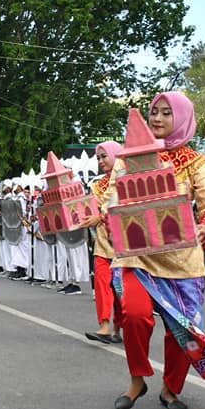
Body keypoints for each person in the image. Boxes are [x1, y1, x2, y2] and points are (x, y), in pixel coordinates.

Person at [109, 93, 205, 409]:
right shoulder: (129, 158)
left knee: (183, 329)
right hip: (138, 255)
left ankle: (171, 389)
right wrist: (107, 215)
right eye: (154, 112)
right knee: (134, 315)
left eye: (166, 113)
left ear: (182, 118)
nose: (158, 118)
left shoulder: (194, 161)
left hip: (182, 259)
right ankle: (137, 379)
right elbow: (111, 196)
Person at [83, 140, 123, 344]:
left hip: (124, 245)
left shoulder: (127, 180)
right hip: (103, 244)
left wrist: (99, 217)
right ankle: (105, 327)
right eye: (98, 157)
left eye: (104, 156)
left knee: (121, 289)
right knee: (101, 284)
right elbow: (91, 209)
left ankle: (117, 328)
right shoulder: (97, 186)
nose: (100, 161)